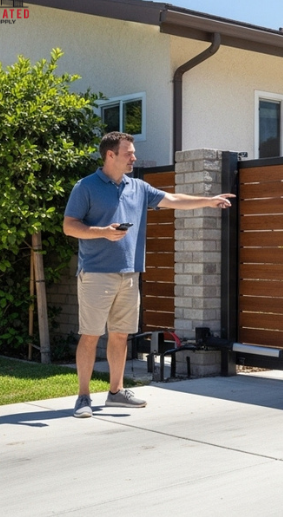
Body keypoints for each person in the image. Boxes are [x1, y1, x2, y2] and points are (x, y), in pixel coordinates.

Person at [63, 131, 234, 418]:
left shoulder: (138, 187)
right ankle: (83, 398)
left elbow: (173, 198)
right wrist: (102, 233)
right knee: (91, 335)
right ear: (110, 155)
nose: (134, 157)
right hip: (96, 274)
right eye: (128, 152)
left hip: (129, 274)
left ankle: (115, 393)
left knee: (119, 336)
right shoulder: (86, 187)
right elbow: (69, 226)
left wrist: (208, 201)